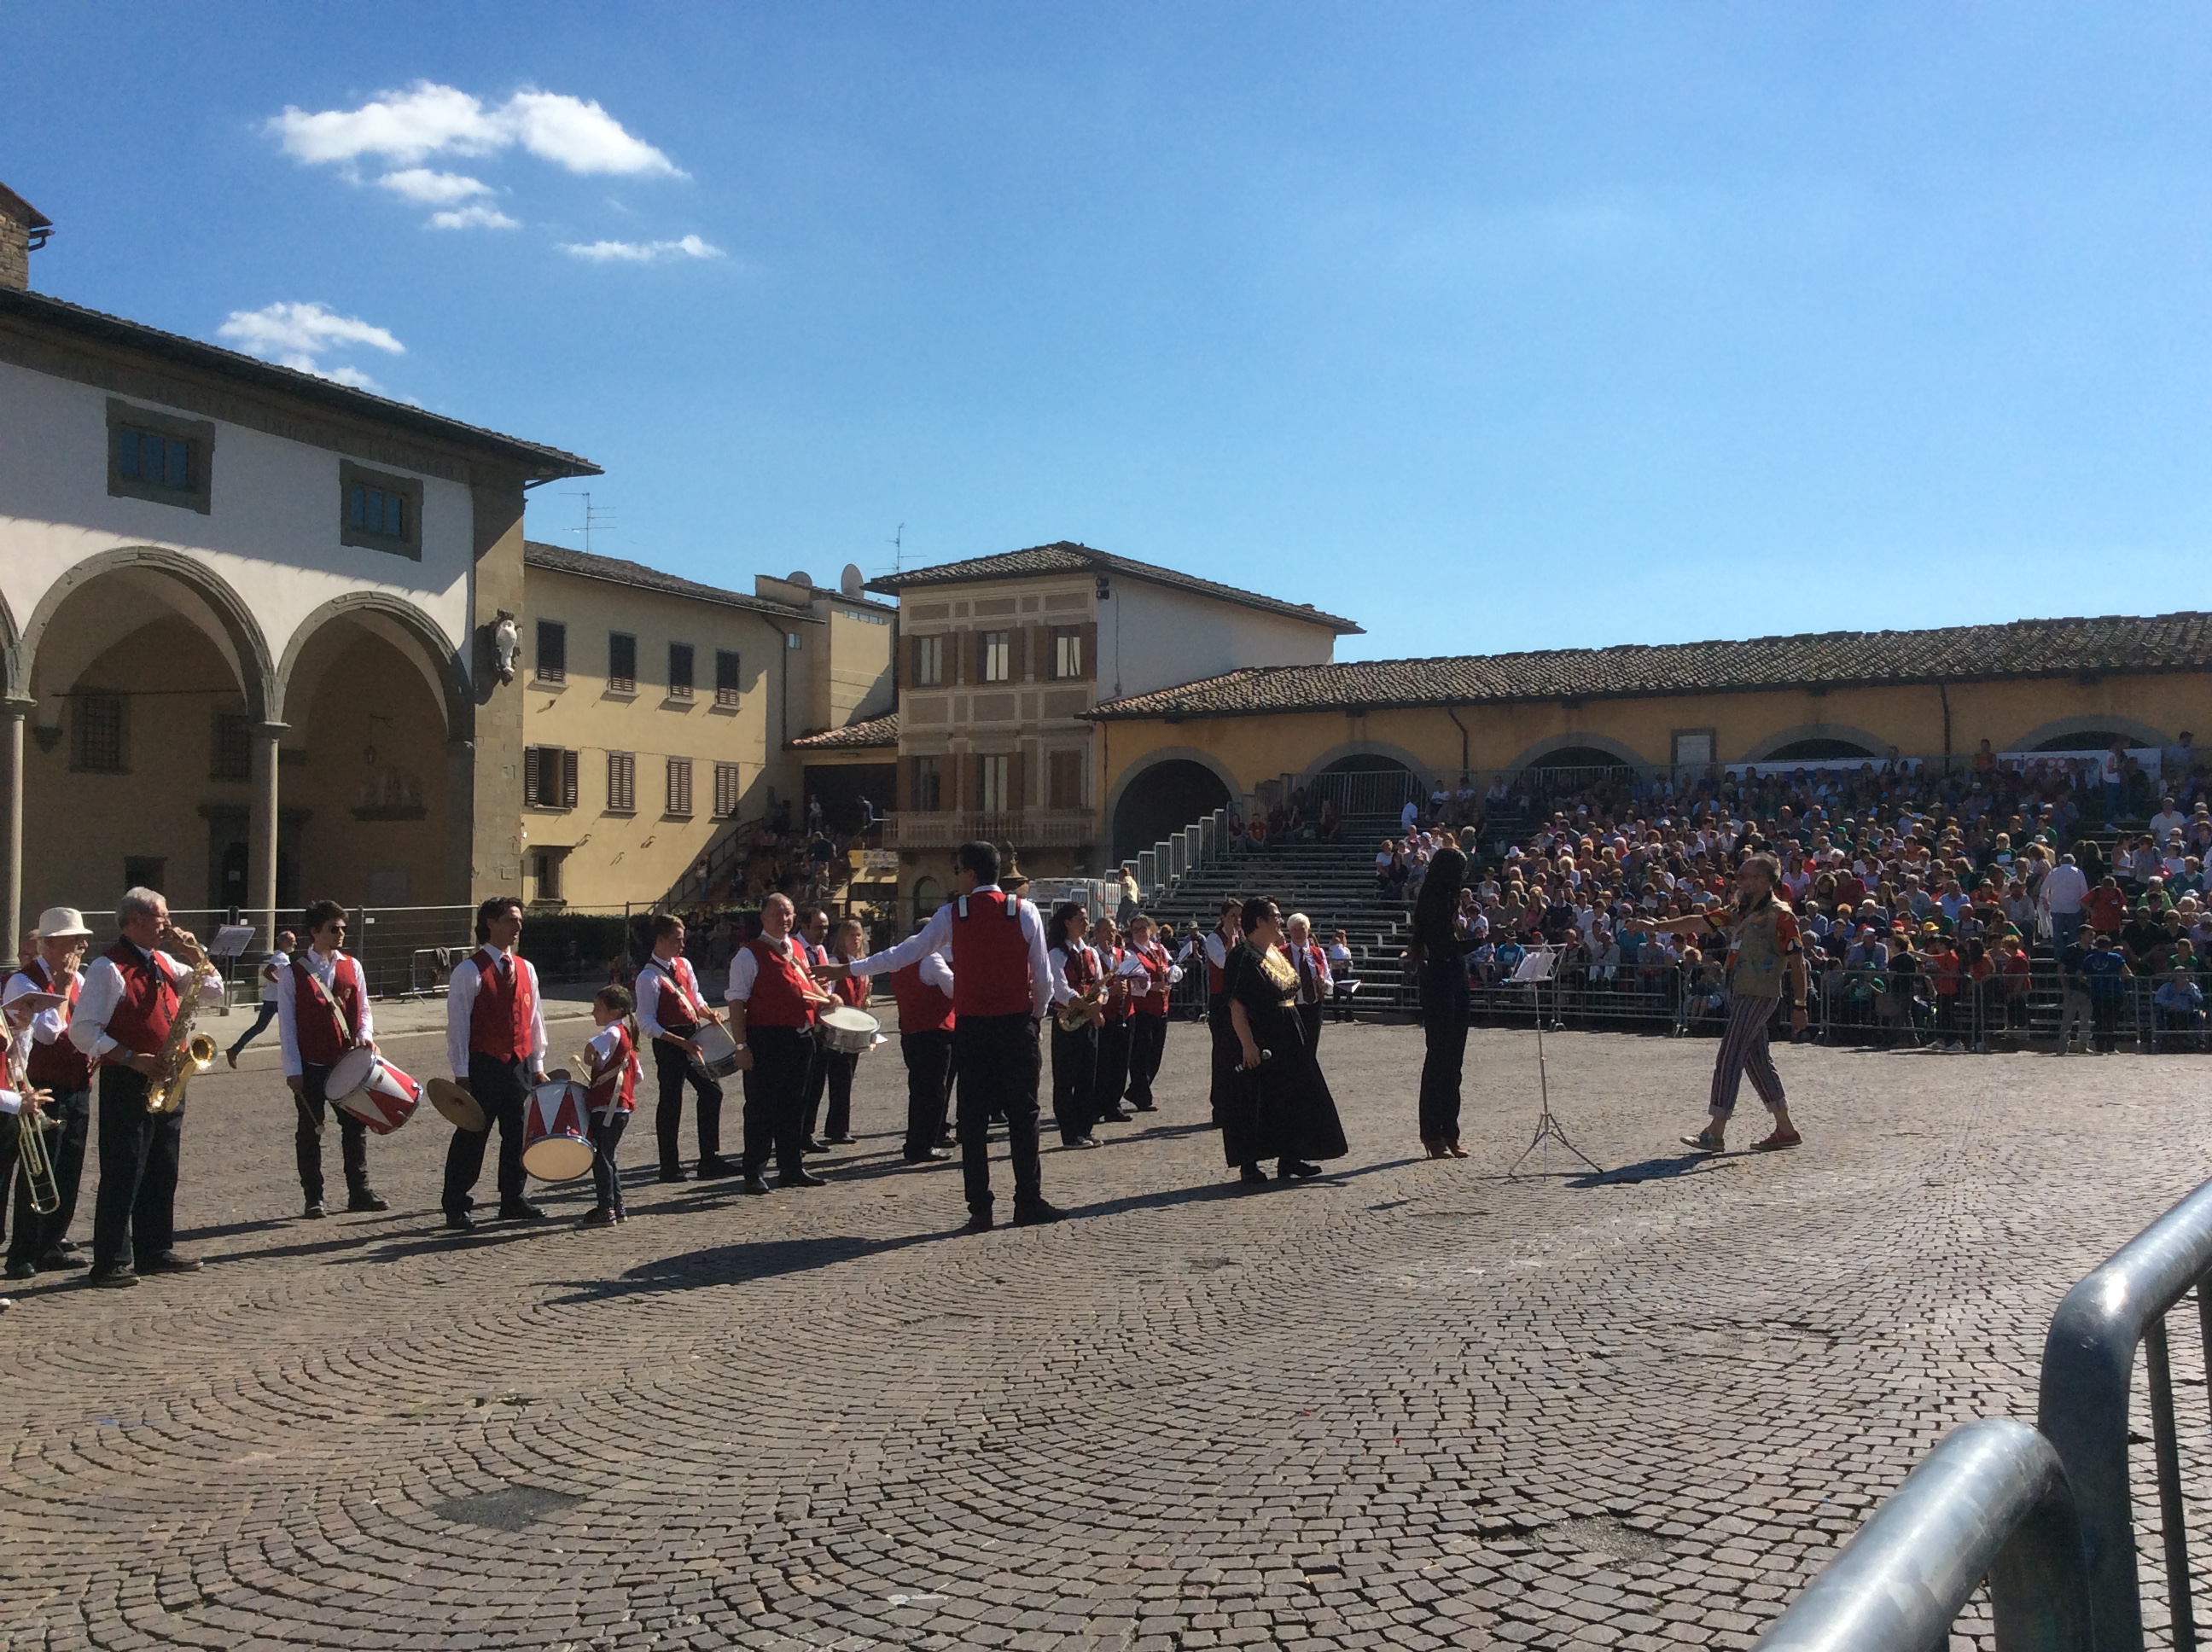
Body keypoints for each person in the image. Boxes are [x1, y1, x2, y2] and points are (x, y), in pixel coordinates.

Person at [826, 840, 1059, 1232]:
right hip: (1016, 1023)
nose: (956, 877)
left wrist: (849, 970)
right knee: (1025, 1114)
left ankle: (979, 1207)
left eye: (957, 871)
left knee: (973, 1118)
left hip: (972, 1026)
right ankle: (1028, 1199)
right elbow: (1044, 978)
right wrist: (1033, 1020)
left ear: (969, 873)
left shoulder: (953, 914)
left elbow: (905, 953)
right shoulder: (1025, 911)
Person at [69, 887, 225, 1286]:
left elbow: (213, 991)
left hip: (168, 1075)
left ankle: (155, 1249)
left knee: (163, 1167)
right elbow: (82, 1031)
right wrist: (128, 1056)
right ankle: (111, 1261)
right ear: (135, 919)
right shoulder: (108, 967)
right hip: (128, 1078)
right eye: (161, 917)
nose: (168, 924)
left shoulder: (165, 961)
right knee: (124, 1169)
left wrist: (196, 955)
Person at [1630, 853, 1808, 1154]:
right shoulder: (1740, 910)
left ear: (1763, 881)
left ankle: (1716, 1131)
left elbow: (1797, 960)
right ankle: (1785, 1129)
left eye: (1745, 876)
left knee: (1729, 1055)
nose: (1738, 881)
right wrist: (1659, 926)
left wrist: (1800, 1004)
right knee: (1757, 1061)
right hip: (1739, 992)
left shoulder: (1781, 915)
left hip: (1759, 993)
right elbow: (1701, 922)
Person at [1220, 897, 1348, 1184]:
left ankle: (1291, 1155)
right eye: (1275, 916)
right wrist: (1247, 1044)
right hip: (1262, 1035)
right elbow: (1236, 1005)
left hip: (1289, 1033)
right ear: (1259, 922)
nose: (1280, 921)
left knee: (1294, 1095)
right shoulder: (1243, 956)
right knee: (1255, 1097)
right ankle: (1249, 1162)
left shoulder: (1275, 953)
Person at [440, 896, 550, 1231]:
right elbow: (458, 1025)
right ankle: (457, 1203)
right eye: (511, 920)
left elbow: (534, 1019)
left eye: (519, 921)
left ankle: (512, 1198)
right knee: (473, 1133)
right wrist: (462, 1073)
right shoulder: (469, 971)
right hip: (484, 1064)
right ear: (491, 923)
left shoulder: (525, 968)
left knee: (517, 1134)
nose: (518, 927)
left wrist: (538, 1062)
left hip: (517, 1064)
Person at [276, 899, 388, 1219]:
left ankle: (359, 1191)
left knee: (355, 1129)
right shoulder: (292, 974)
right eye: (333, 929)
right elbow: (288, 1027)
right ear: (315, 932)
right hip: (311, 1065)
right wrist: (293, 1070)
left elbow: (364, 1010)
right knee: (310, 1131)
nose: (340, 934)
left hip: (347, 1063)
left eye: (342, 928)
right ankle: (314, 1196)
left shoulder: (352, 966)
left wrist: (366, 1034)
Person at [1, 907, 96, 1279]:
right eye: (76, 940)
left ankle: (52, 1243)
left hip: (77, 1082)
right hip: (40, 1085)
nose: (83, 946)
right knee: (38, 1172)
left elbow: (86, 1023)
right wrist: (65, 986)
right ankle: (22, 1251)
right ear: (54, 944)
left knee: (69, 1167)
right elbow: (47, 1034)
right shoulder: (24, 982)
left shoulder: (80, 979)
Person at [724, 893, 837, 1195]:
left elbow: (807, 984)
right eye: (777, 914)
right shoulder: (749, 955)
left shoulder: (797, 947)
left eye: (788, 914)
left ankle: (791, 1167)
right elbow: (736, 1002)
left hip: (800, 1038)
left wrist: (828, 999)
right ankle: (754, 1171)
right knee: (762, 1108)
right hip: (767, 1040)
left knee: (794, 1107)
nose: (784, 919)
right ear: (763, 917)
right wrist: (741, 1046)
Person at [636, 915, 737, 1184]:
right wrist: (679, 1042)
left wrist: (707, 1012)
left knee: (711, 1091)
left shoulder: (684, 965)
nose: (682, 945)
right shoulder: (648, 977)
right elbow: (645, 1022)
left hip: (692, 1034)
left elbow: (695, 996)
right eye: (676, 940)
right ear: (660, 940)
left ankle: (709, 1159)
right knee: (671, 1101)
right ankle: (669, 1166)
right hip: (669, 1041)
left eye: (683, 939)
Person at [1406, 847, 1478, 1158]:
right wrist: (1486, 941)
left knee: (1455, 1060)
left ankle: (1450, 1129)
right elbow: (1445, 945)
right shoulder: (1432, 901)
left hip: (1456, 976)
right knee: (1438, 1058)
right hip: (1438, 978)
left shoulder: (1451, 901)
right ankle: (1431, 1131)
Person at [888, 923, 957, 1163]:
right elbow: (953, 989)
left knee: (919, 1091)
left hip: (910, 1031)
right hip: (934, 1032)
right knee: (934, 1092)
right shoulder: (931, 958)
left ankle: (916, 1142)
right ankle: (923, 1144)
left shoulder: (901, 956)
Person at [579, 984, 643, 1226]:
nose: (594, 1013)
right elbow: (638, 1076)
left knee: (601, 1159)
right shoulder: (628, 1037)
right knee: (609, 1157)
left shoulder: (612, 1033)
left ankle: (606, 1208)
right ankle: (618, 1206)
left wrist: (591, 1060)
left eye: (598, 1009)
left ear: (614, 1012)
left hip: (606, 1107)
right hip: (621, 1107)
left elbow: (590, 1048)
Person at [1046, 900, 1103, 1149]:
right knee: (1065, 1077)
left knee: (1087, 1076)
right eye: (1081, 918)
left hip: (1087, 1020)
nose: (1086, 923)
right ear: (1067, 922)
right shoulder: (1057, 953)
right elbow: (1060, 988)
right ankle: (1069, 1133)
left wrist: (1099, 1002)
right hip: (1067, 1021)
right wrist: (1085, 1006)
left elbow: (1100, 982)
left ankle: (1085, 1128)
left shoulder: (1090, 952)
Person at [812, 917, 872, 1148]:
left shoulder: (862, 965)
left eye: (858, 935)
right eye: (850, 935)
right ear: (841, 939)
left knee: (845, 1080)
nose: (855, 939)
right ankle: (836, 1129)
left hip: (854, 1028)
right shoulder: (836, 963)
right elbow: (829, 995)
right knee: (838, 1079)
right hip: (835, 1029)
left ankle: (837, 1126)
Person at [1122, 914, 1177, 1112]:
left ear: (1151, 929)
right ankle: (1142, 1094)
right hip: (1142, 1008)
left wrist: (1171, 974)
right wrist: (1151, 987)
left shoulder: (1159, 949)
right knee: (1141, 1054)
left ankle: (1137, 1090)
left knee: (1156, 1054)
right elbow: (1132, 981)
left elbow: (1173, 968)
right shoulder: (1130, 953)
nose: (1140, 932)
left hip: (1161, 1006)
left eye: (1143, 928)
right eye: (1136, 929)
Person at [795, 905, 835, 1153]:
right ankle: (794, 1135)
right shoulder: (795, 949)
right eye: (819, 927)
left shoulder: (820, 950)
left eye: (826, 928)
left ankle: (807, 1133)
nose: (823, 932)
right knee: (801, 1086)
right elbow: (805, 986)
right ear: (805, 926)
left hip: (821, 1024)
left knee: (817, 1083)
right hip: (803, 1023)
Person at [1091, 913, 1137, 1127]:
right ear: (1097, 933)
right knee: (1103, 1062)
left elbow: (1139, 975)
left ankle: (1114, 1104)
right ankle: (1098, 1104)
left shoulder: (1122, 954)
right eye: (1107, 931)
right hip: (1104, 1014)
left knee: (1121, 1062)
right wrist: (1112, 989)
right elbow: (1091, 989)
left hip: (1125, 1012)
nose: (1112, 935)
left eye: (1114, 931)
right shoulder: (1092, 955)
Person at [224, 929, 294, 1067]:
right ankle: (298, 1057)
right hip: (277, 1000)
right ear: (282, 942)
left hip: (272, 999)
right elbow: (267, 972)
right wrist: (281, 984)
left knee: (260, 1027)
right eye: (291, 941)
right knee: (292, 1026)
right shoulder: (281, 957)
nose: (294, 943)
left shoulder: (280, 956)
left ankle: (234, 1050)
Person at [1284, 912, 1333, 1058]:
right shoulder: (1281, 953)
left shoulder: (1318, 953)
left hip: (1314, 1007)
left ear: (1309, 931)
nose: (1298, 933)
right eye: (1294, 930)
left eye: (1302, 929)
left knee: (1310, 1051)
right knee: (1294, 1050)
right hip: (1292, 1008)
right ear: (1289, 932)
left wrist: (1323, 983)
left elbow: (1329, 981)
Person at [2081, 930, 2132, 1054]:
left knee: (2098, 1020)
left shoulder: (2090, 958)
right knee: (2112, 1020)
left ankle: (2099, 1047)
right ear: (2109, 946)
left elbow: (2080, 975)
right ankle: (2110, 1047)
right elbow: (2127, 973)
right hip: (2114, 993)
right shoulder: (2116, 957)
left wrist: (2089, 982)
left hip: (2096, 993)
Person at [1325, 928, 1359, 1022]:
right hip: (1337, 971)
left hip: (1345, 971)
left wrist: (1346, 963)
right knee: (1337, 995)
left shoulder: (1346, 949)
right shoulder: (1334, 948)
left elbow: (1347, 960)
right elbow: (1338, 959)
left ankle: (1349, 1015)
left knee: (1349, 994)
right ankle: (1338, 1016)